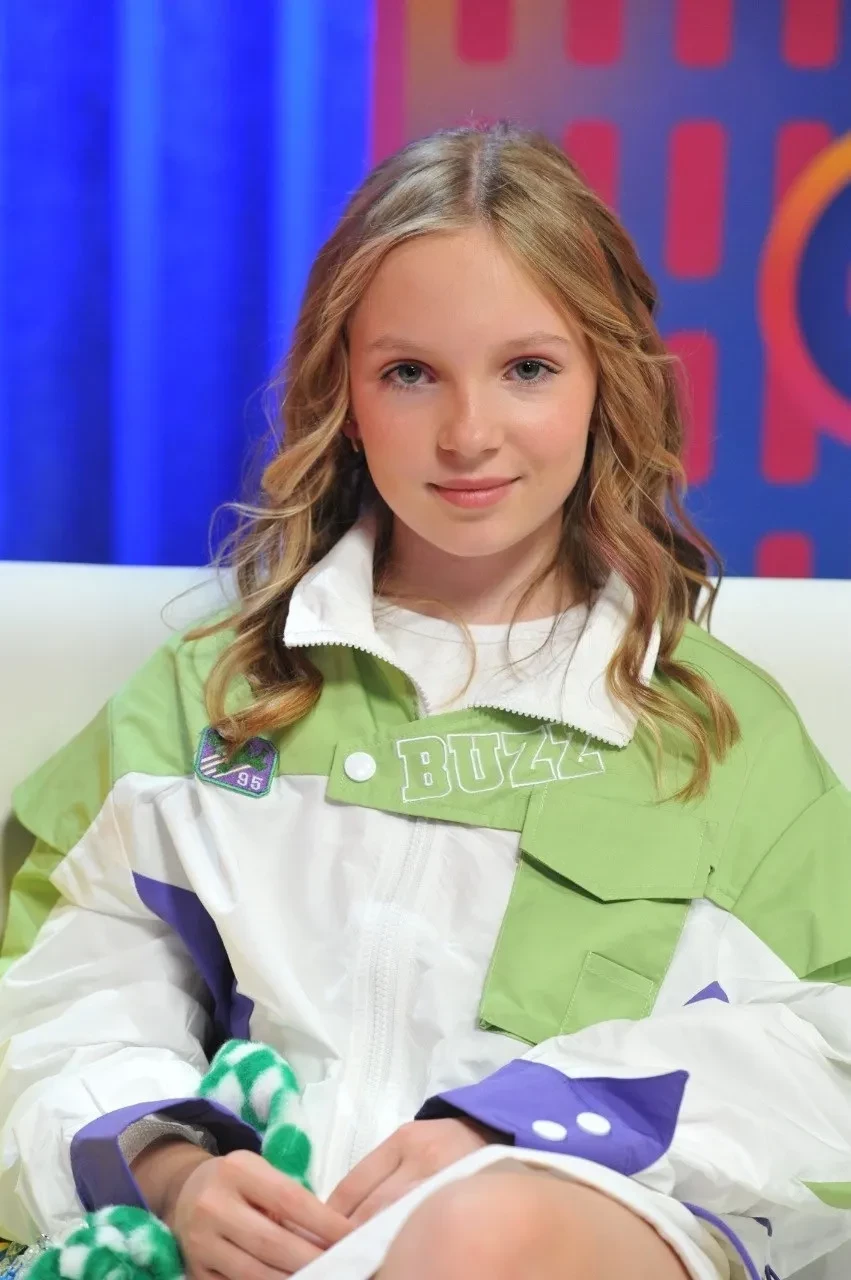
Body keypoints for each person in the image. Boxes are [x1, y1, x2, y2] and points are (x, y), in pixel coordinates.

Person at [0, 121, 849, 1280]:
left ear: (605, 383)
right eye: (410, 372)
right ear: (343, 391)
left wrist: (518, 1126)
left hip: (594, 1226)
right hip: (278, 1249)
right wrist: (173, 1168)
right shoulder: (211, 696)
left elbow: (825, 1045)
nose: (467, 435)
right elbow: (57, 991)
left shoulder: (716, 733)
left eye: (527, 368)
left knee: (476, 1231)